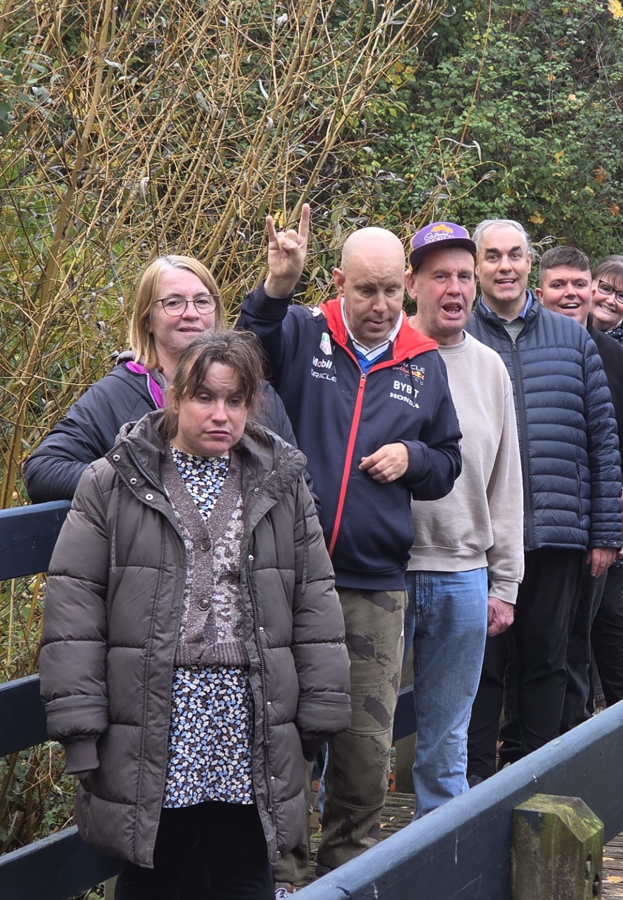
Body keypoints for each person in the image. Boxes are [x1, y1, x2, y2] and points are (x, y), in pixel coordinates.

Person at [39, 331, 351, 900]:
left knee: (245, 871)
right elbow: (73, 609)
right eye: (205, 398)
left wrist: (320, 713)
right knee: (153, 872)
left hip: (249, 716)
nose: (220, 415)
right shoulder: (113, 481)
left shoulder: (281, 483)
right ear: (175, 397)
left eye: (235, 401)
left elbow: (315, 600)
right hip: (157, 713)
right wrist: (81, 732)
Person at [236, 206, 462, 875]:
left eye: (394, 290)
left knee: (366, 753)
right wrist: (277, 285)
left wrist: (411, 458)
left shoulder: (424, 363)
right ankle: (281, 877)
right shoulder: (305, 334)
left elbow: (447, 461)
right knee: (282, 740)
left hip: (374, 585)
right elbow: (245, 350)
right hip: (288, 580)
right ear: (338, 282)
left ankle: (348, 876)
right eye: (367, 290)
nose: (382, 305)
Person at [464, 219, 622, 781]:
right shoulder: (457, 335)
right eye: (492, 257)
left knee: (549, 660)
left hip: (558, 532)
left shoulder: (571, 337)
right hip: (481, 536)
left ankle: (536, 777)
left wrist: (604, 531)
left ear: (530, 263)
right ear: (476, 267)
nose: (505, 266)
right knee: (483, 665)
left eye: (515, 255)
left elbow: (602, 438)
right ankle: (476, 785)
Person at [402, 222, 525, 816]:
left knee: (447, 743)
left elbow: (507, 482)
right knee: (355, 737)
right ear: (412, 285)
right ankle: (344, 868)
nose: (455, 289)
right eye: (440, 276)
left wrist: (505, 583)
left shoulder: (490, 368)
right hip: (382, 572)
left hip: (463, 574)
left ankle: (439, 863)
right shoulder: (384, 356)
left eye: (464, 277)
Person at [24, 255, 301, 504]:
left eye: (202, 301)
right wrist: (143, 480)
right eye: (173, 302)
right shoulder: (117, 393)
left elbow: (299, 485)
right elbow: (43, 471)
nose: (191, 313)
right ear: (147, 319)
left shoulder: (255, 391)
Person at [535, 245, 623, 730]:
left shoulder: (617, 357)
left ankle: (574, 745)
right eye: (558, 285)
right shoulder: (513, 349)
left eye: (578, 284)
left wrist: (622, 491)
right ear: (538, 290)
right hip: (528, 522)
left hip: (594, 524)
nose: (571, 295)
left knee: (576, 640)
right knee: (524, 645)